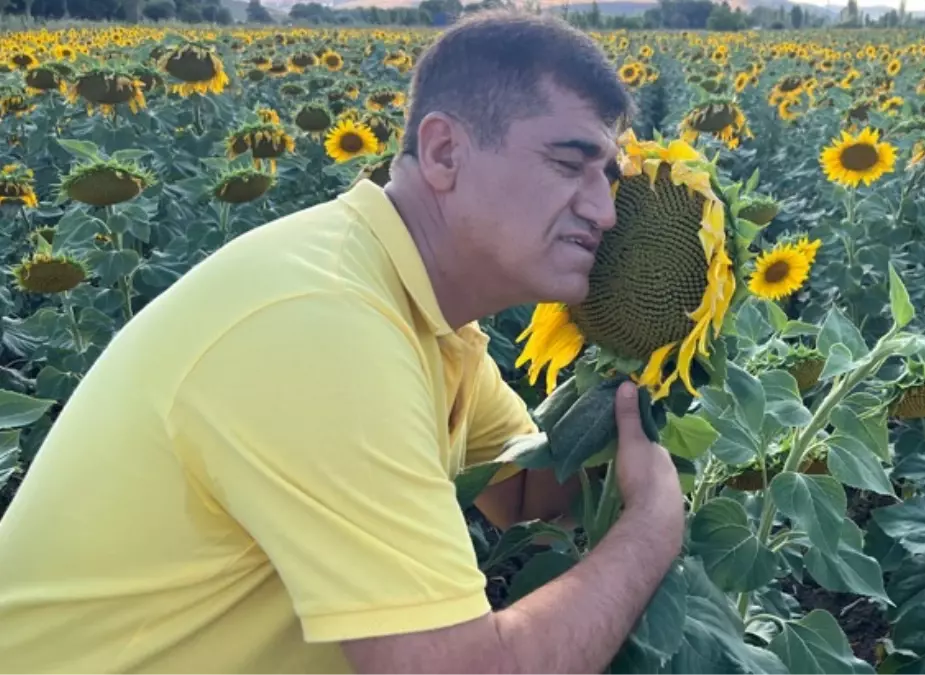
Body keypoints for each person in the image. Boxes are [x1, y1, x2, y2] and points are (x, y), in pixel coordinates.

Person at [0, 11, 685, 674]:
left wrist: (657, 346)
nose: (602, 210)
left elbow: (531, 490)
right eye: (571, 164)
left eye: (610, 177)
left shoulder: (419, 310)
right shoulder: (324, 324)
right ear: (445, 151)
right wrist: (651, 529)